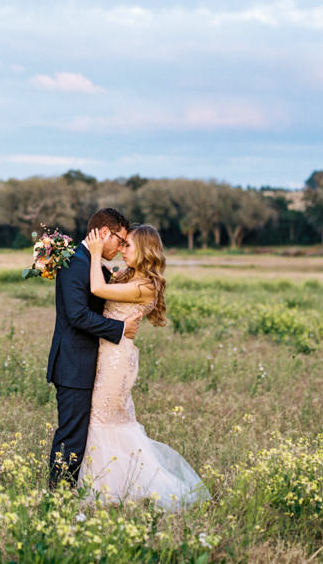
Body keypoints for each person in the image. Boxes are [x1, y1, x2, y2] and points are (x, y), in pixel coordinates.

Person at [78, 224, 209, 510]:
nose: (122, 250)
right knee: (106, 419)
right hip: (105, 353)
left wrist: (96, 252)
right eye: (122, 245)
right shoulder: (128, 276)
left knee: (103, 419)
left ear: (145, 249)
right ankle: (112, 483)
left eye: (128, 245)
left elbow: (97, 289)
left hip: (117, 360)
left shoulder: (145, 286)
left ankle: (114, 487)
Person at [47, 208, 141, 488]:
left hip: (90, 364)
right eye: (120, 240)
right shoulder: (75, 263)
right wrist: (121, 329)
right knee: (72, 436)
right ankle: (58, 496)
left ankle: (73, 491)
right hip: (73, 364)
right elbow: (77, 315)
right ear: (103, 233)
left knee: (82, 435)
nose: (121, 247)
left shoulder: (92, 263)